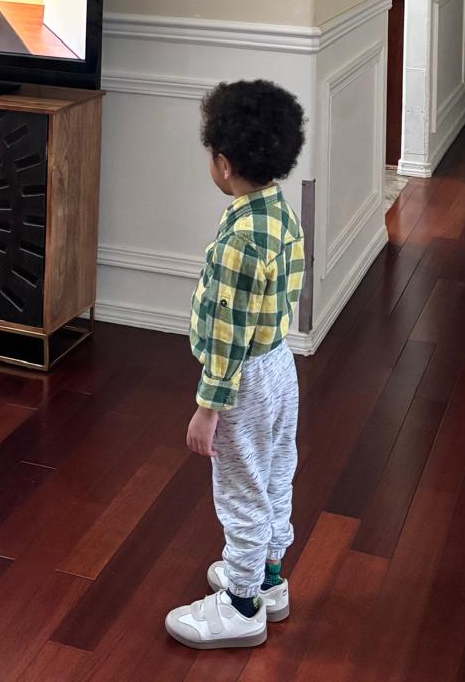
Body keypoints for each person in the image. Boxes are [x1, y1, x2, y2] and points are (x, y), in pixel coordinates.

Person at [165, 80, 306, 652]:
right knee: (274, 476)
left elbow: (226, 338)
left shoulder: (237, 242)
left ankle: (242, 605)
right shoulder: (279, 214)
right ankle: (270, 580)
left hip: (243, 381)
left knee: (241, 491)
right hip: (280, 367)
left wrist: (207, 409)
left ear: (222, 164)